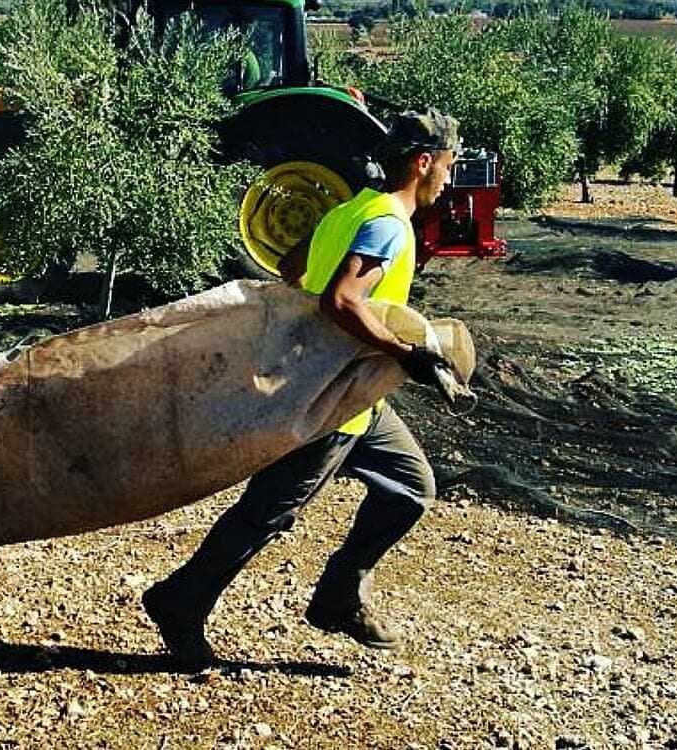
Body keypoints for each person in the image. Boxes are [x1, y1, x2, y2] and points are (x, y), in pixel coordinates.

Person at [142, 110, 464, 667]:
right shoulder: (389, 223)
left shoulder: (350, 210)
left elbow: (292, 267)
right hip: (327, 401)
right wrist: (405, 352)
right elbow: (341, 300)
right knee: (269, 511)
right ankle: (181, 599)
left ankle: (340, 594)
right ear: (423, 162)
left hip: (354, 393)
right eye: (448, 165)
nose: (449, 178)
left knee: (410, 487)